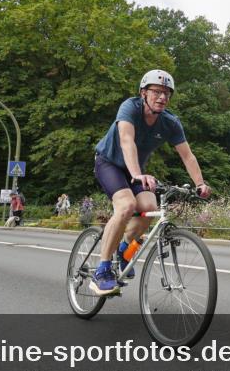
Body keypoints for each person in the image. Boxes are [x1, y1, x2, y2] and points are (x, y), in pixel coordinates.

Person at [90, 69, 211, 296]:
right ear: (143, 93)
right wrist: (136, 173)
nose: (162, 97)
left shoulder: (170, 123)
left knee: (150, 210)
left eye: (167, 93)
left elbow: (187, 155)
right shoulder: (130, 108)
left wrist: (200, 183)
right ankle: (102, 271)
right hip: (109, 163)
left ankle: (124, 251)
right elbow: (126, 140)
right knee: (126, 206)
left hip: (136, 171)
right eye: (156, 91)